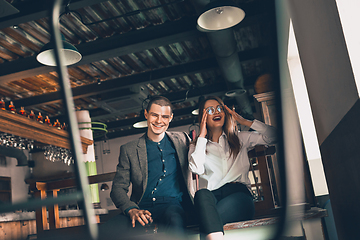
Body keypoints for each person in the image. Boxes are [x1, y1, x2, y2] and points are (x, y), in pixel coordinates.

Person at [188, 96, 277, 240]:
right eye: (210, 110)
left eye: (219, 108)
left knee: (206, 221)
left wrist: (245, 121)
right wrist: (202, 136)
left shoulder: (240, 138)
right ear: (203, 117)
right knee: (201, 194)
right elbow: (196, 168)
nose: (216, 112)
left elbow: (275, 136)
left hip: (240, 195)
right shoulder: (197, 146)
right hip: (213, 197)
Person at [106, 96, 193, 238]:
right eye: (154, 115)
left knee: (176, 220)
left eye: (164, 117)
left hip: (173, 206)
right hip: (140, 207)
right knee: (105, 232)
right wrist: (131, 209)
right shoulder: (129, 149)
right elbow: (117, 189)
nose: (159, 121)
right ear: (146, 114)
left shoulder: (182, 139)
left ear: (170, 118)